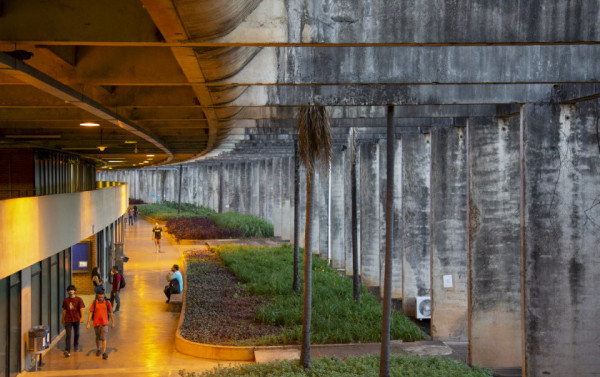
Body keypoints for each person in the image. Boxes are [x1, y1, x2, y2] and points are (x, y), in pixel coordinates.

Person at [86, 289, 114, 360]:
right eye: (99, 297)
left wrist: (112, 322)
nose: (101, 298)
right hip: (96, 323)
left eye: (102, 297)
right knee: (98, 337)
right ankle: (98, 349)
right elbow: (91, 312)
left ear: (104, 296)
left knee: (104, 337)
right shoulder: (94, 302)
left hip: (105, 323)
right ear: (97, 296)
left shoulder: (107, 302)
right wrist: (88, 322)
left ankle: (104, 352)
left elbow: (110, 312)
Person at [61, 284, 85, 357]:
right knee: (68, 334)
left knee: (76, 333)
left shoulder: (79, 299)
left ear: (74, 291)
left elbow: (81, 309)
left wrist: (82, 317)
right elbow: (64, 310)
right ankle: (67, 350)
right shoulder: (66, 300)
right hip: (68, 319)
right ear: (68, 291)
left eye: (72, 290)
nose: (71, 291)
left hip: (76, 318)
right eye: (69, 290)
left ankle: (76, 345)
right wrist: (63, 318)